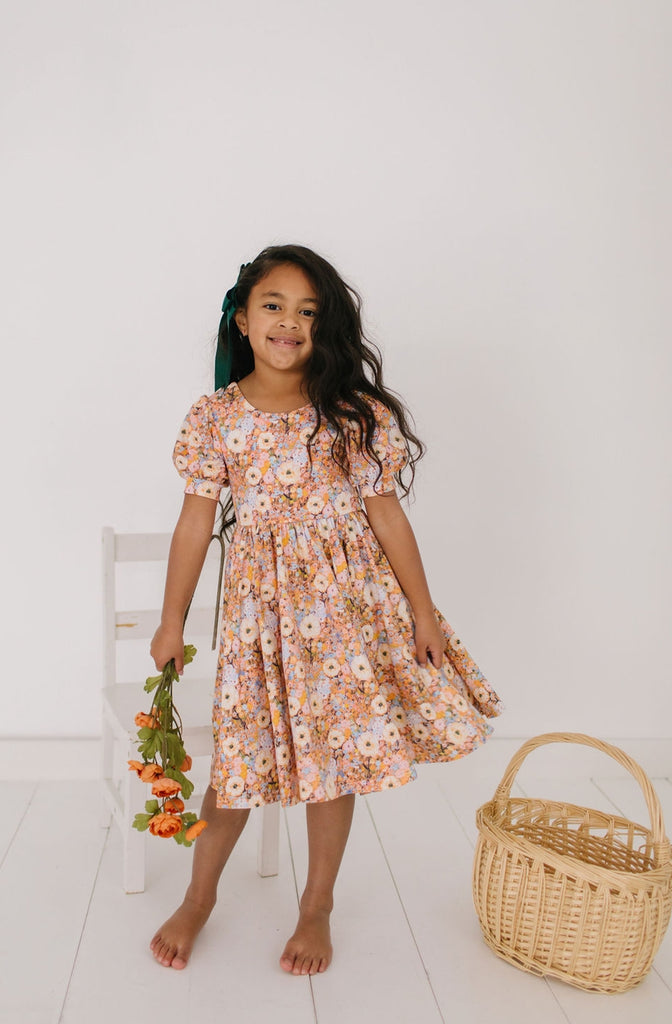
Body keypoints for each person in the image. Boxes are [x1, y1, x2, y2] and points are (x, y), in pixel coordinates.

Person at [148, 244, 502, 975]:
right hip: (260, 619)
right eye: (274, 306)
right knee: (239, 765)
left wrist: (424, 612)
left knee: (333, 763)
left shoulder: (349, 413)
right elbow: (193, 525)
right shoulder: (216, 417)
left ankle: (317, 906)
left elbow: (387, 517)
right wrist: (172, 620)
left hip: (345, 616)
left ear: (325, 326)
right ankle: (199, 897)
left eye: (309, 312)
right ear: (242, 319)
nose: (290, 323)